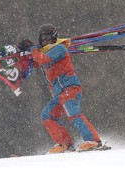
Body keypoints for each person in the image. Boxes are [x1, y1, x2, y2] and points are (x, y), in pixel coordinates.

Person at [20, 24, 104, 153]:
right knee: (47, 115)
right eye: (43, 38)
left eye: (49, 38)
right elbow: (35, 63)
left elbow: (43, 59)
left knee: (72, 113)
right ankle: (64, 144)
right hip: (59, 93)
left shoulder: (59, 48)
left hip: (69, 88)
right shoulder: (45, 51)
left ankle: (94, 141)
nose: (46, 41)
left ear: (55, 38)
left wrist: (33, 49)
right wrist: (20, 56)